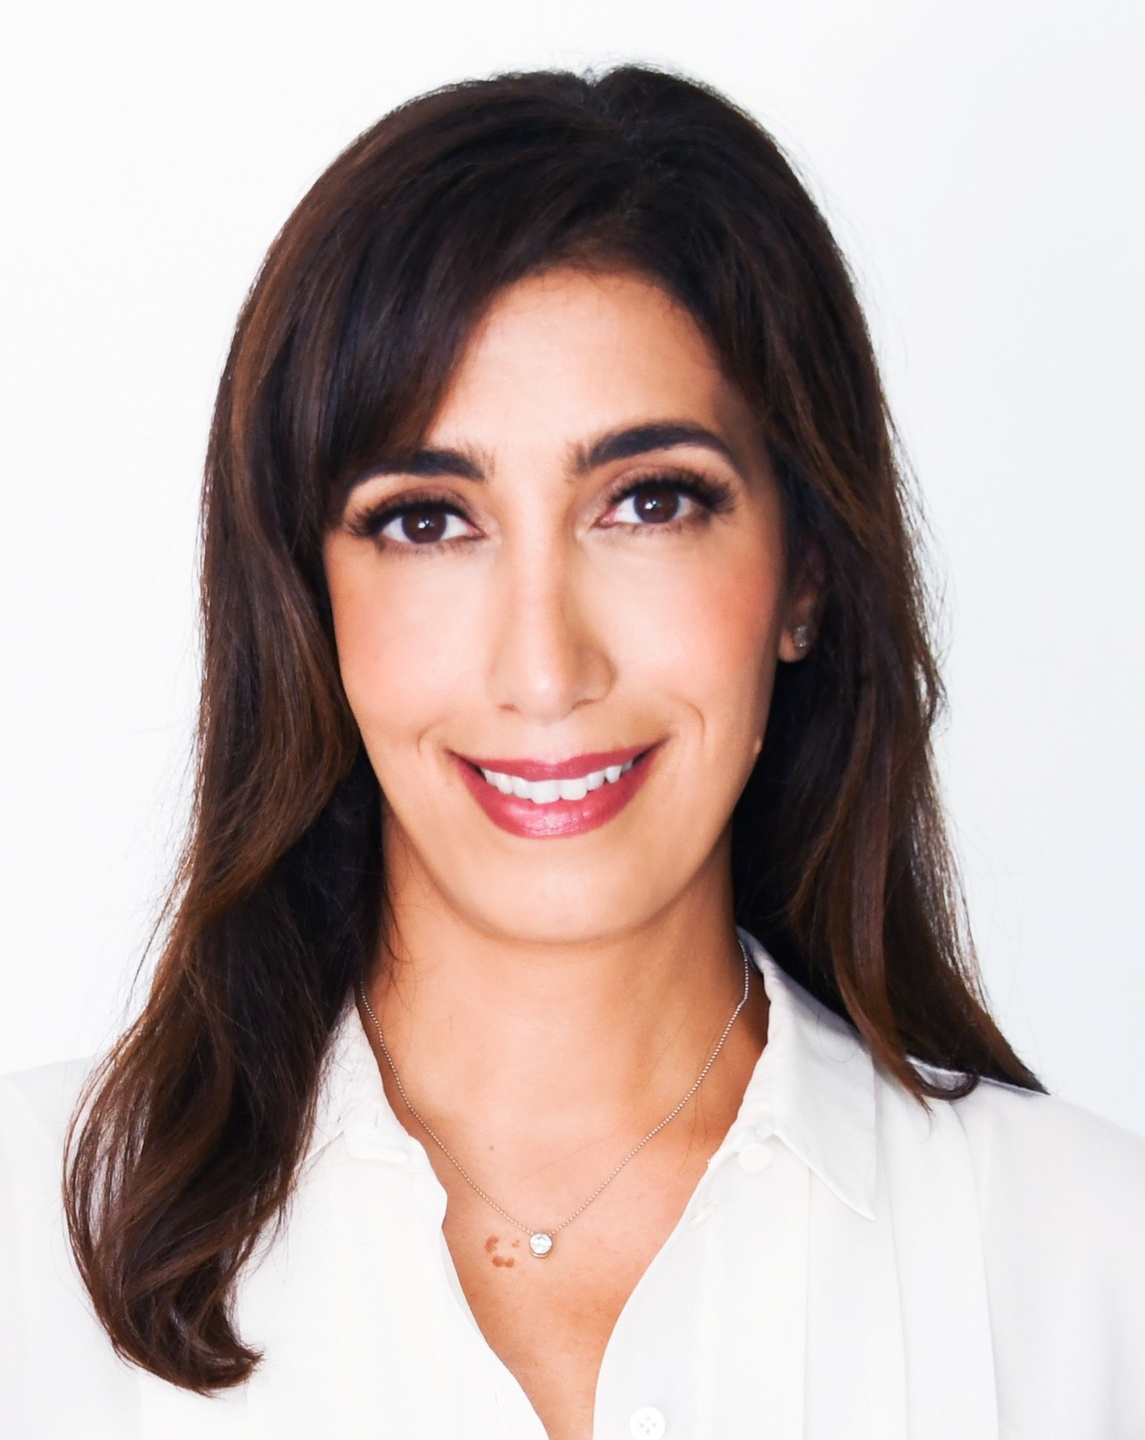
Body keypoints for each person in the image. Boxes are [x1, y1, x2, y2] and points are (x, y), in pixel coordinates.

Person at [2, 65, 1143, 1440]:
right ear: (308, 598)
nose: (544, 668)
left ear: (804, 574)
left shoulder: (1088, 1274)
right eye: (427, 520)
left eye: (649, 503)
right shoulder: (28, 1254)